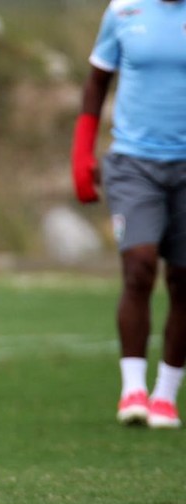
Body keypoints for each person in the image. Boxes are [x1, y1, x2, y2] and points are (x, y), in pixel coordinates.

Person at [70, 0, 186, 429]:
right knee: (139, 266)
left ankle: (166, 394)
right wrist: (82, 151)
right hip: (133, 164)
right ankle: (133, 389)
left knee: (182, 280)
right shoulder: (123, 10)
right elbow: (97, 82)